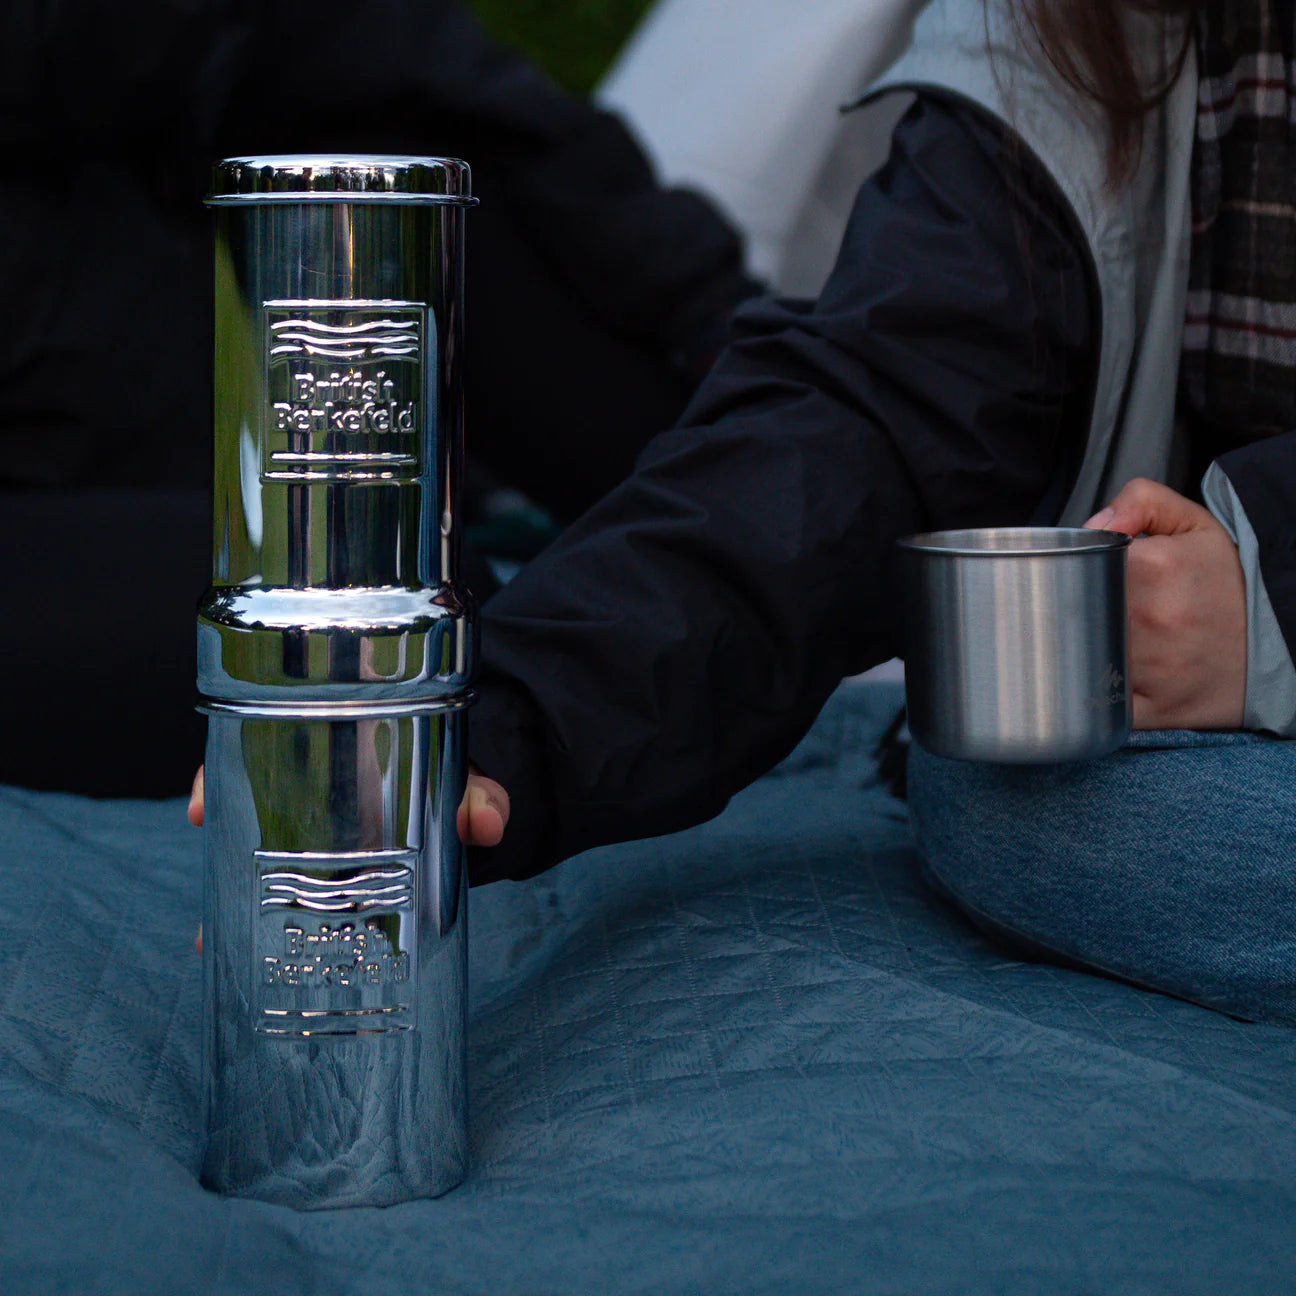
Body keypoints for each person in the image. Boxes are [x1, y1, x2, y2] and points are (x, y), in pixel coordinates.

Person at [194, 0, 1291, 1024]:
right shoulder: (1073, 23)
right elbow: (876, 417)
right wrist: (497, 719)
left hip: (1245, 667)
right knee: (997, 779)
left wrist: (1271, 600)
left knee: (1150, 838)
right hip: (1173, 711)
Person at [0, 0, 755, 796]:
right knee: (406, 629)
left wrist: (705, 308)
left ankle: (757, 518)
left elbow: (426, 65)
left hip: (176, 396)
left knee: (412, 183)